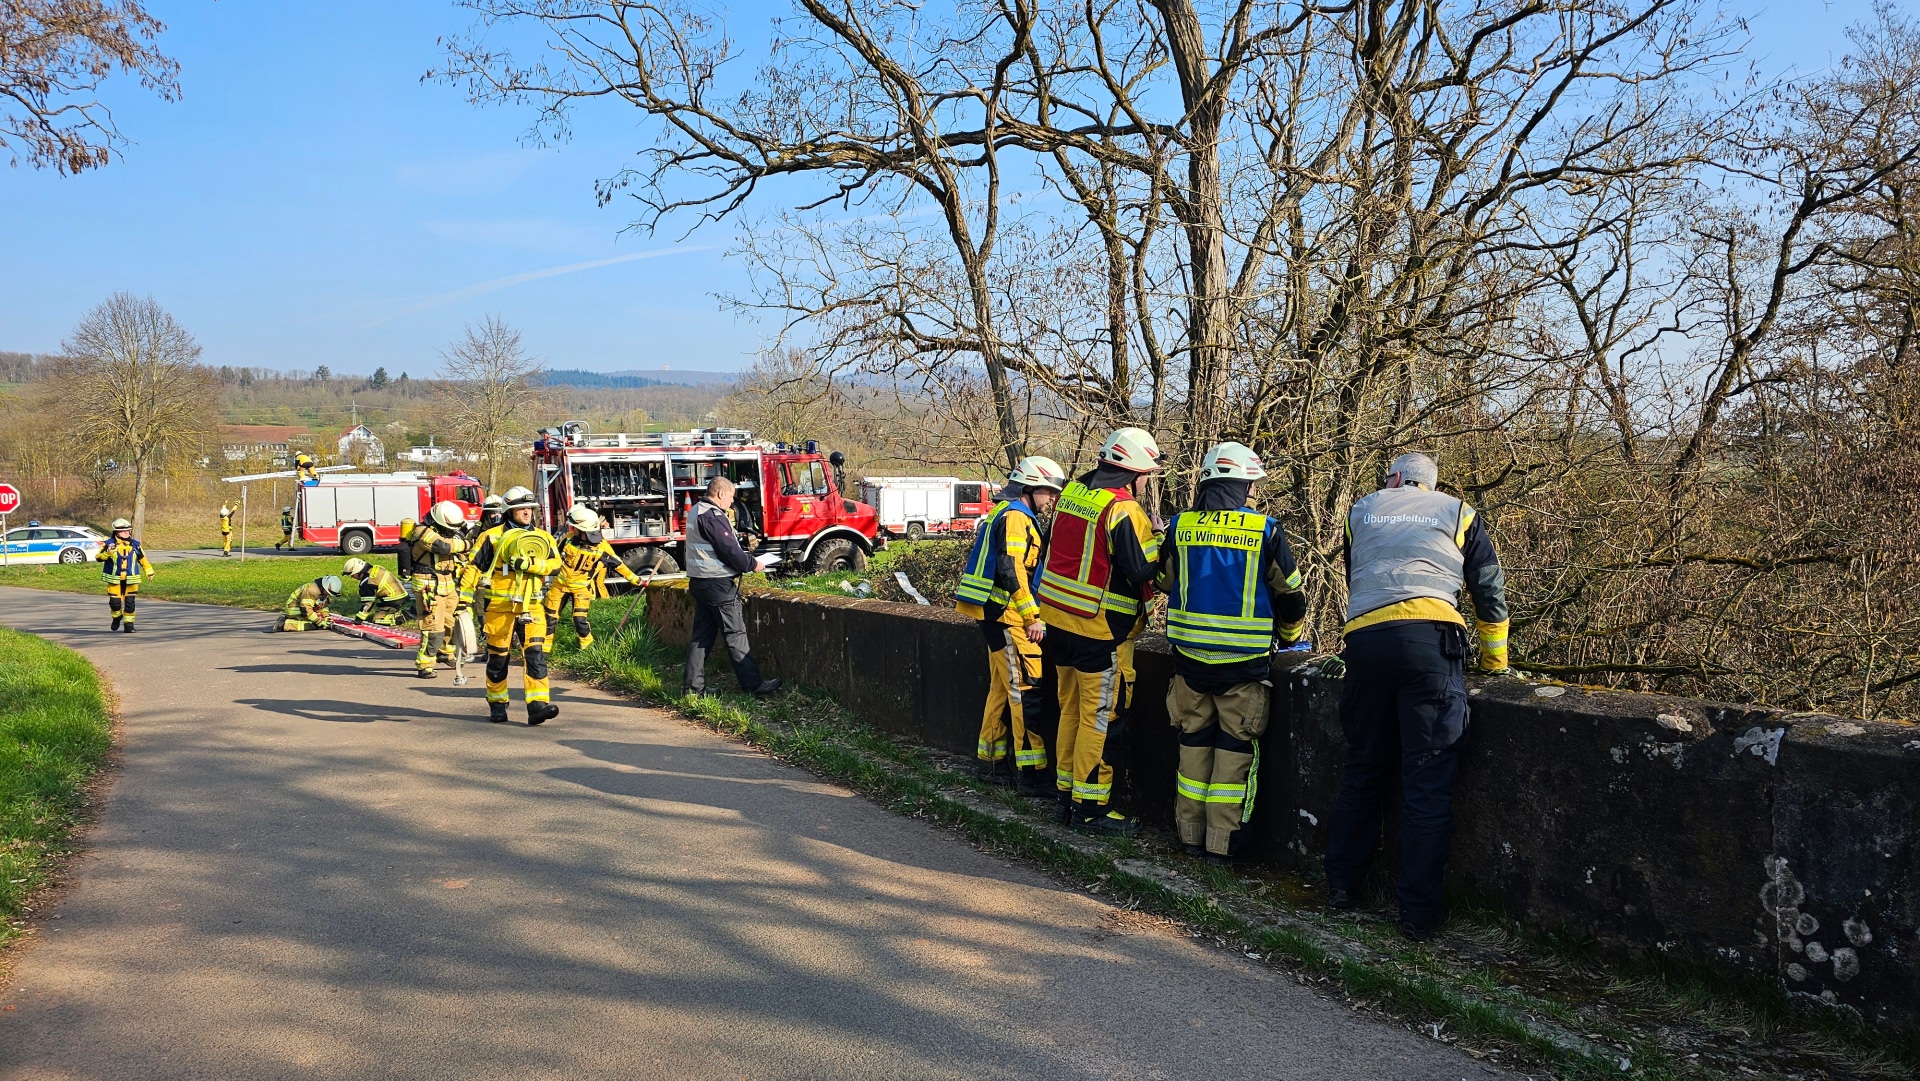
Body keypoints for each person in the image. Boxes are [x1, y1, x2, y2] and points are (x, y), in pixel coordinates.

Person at [1322, 452, 1511, 942]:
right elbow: (1488, 590)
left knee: (1364, 767)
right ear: (1430, 484)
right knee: (1427, 780)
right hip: (1431, 643)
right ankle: (1417, 915)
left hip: (1365, 641)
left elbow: (1356, 571)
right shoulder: (1457, 511)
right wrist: (1495, 663)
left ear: (1395, 479)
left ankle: (1341, 887)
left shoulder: (1361, 510)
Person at [1158, 442, 1308, 864]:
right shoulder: (1265, 530)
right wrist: (1291, 636)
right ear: (1245, 486)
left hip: (1189, 660)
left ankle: (1188, 836)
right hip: (1243, 664)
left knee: (1193, 746)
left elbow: (1166, 582)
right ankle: (1222, 847)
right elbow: (1291, 595)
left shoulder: (1181, 526)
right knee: (1235, 752)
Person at [1035, 427, 1163, 835]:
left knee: (1070, 711)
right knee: (1100, 720)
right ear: (1133, 472)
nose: (1146, 482)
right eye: (1146, 474)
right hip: (1099, 631)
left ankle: (1065, 798)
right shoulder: (1124, 510)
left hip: (1057, 623)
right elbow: (1142, 569)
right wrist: (1163, 539)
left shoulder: (1073, 493)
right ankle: (1091, 807)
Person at [954, 454, 1067, 796]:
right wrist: (1033, 616)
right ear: (1030, 489)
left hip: (993, 614)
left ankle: (990, 764)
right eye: (1047, 491)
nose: (1051, 499)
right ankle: (1031, 775)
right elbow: (1012, 568)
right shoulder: (1018, 517)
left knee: (1003, 689)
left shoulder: (1001, 514)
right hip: (1010, 617)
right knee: (1026, 691)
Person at [683, 476, 781, 698]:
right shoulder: (712, 515)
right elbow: (728, 550)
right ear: (720, 494)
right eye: (730, 497)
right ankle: (753, 685)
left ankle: (692, 689)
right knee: (735, 634)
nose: (731, 503)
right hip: (717, 584)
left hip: (700, 582)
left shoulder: (696, 509)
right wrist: (753, 563)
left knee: (701, 637)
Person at [473, 486, 562, 724]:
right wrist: (462, 601)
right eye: (521, 508)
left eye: (530, 508)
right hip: (500, 609)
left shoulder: (543, 537)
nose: (527, 513)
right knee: (498, 659)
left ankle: (537, 707)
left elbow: (556, 564)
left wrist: (532, 565)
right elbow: (474, 568)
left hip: (532, 607)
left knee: (536, 656)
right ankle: (497, 705)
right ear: (508, 511)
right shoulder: (491, 537)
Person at [545, 505, 645, 650]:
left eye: (574, 527)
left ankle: (587, 649)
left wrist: (638, 580)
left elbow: (619, 565)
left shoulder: (602, 547)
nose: (572, 530)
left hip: (581, 589)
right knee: (550, 619)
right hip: (559, 587)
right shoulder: (567, 540)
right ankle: (542, 651)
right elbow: (552, 556)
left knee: (580, 620)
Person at [406, 501, 470, 678]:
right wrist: (466, 544)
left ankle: (445, 652)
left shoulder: (443, 533)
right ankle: (425, 663)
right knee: (433, 625)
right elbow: (443, 547)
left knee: (450, 621)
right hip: (428, 584)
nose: (452, 532)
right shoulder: (422, 532)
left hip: (447, 582)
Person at [95, 518, 155, 633]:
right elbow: (98, 558)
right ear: (116, 532)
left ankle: (129, 625)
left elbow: (142, 559)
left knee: (130, 603)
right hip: (114, 579)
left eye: (128, 531)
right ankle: (116, 617)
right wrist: (108, 553)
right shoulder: (107, 544)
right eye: (124, 531)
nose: (127, 533)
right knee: (115, 603)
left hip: (131, 578)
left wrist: (149, 571)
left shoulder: (136, 545)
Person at [342, 557, 410, 626]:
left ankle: (402, 617)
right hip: (401, 594)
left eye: (352, 575)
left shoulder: (367, 582)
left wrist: (359, 619)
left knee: (377, 620)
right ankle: (408, 611)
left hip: (392, 600)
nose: (352, 577)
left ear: (357, 572)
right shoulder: (375, 568)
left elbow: (368, 604)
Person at [275, 575, 342, 632]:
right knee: (312, 625)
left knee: (317, 621)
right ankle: (283, 625)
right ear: (324, 587)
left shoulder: (322, 591)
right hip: (294, 609)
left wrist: (326, 617)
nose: (328, 595)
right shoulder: (312, 591)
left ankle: (289, 620)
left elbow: (323, 606)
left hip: (302, 608)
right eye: (328, 592)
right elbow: (306, 610)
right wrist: (318, 622)